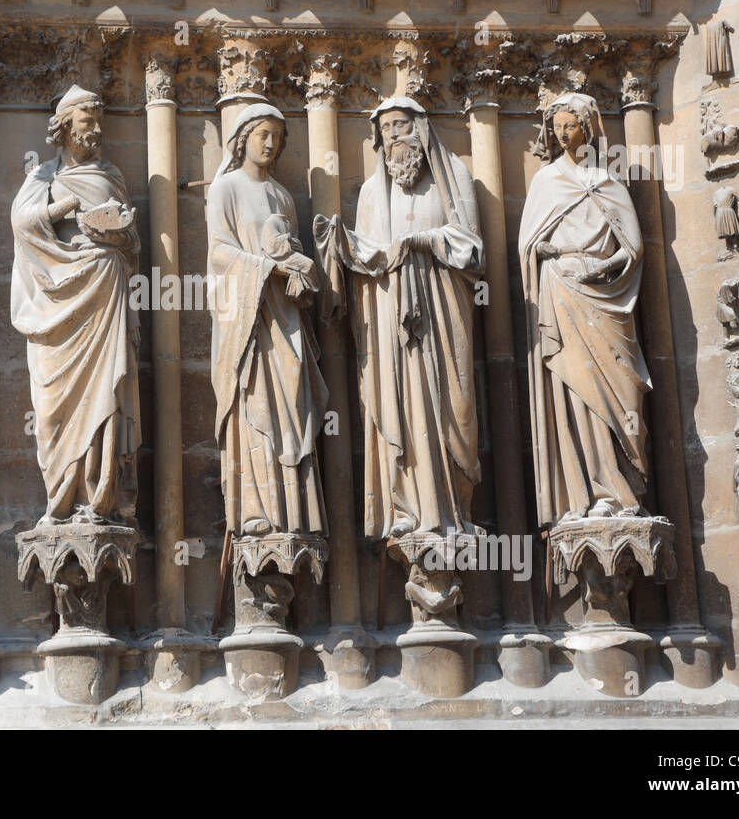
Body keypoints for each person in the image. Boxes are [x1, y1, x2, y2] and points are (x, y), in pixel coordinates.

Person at [315, 96, 482, 538]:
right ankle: (406, 509)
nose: (393, 136)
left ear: (421, 129)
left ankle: (452, 511)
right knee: (401, 408)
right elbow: (372, 259)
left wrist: (424, 242)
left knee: (451, 409)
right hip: (391, 321)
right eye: (386, 128)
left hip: (443, 316)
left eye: (401, 125)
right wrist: (343, 245)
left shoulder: (453, 178)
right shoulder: (372, 193)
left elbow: (472, 248)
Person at [10, 85, 141, 525]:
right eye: (88, 122)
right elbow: (22, 223)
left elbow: (132, 241)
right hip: (56, 303)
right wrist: (66, 208)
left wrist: (116, 232)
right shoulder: (42, 177)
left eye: (98, 122)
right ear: (65, 126)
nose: (97, 130)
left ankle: (99, 495)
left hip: (104, 297)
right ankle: (61, 496)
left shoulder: (110, 175)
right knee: (52, 410)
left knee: (106, 393)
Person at [519, 92, 651, 526]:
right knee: (575, 389)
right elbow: (527, 246)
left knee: (619, 391)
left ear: (588, 128)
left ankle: (622, 484)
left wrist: (603, 266)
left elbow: (632, 245)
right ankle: (589, 488)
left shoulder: (607, 180)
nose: (561, 132)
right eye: (556, 126)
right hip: (562, 290)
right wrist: (546, 252)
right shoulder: (545, 182)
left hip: (606, 296)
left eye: (570, 124)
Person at [207, 101, 327, 538]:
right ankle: (256, 508)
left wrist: (301, 276)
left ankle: (293, 509)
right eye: (263, 134)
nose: (271, 143)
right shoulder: (225, 189)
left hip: (285, 317)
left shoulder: (282, 195)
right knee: (254, 401)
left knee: (291, 402)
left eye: (278, 136)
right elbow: (219, 253)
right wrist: (271, 268)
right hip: (248, 320)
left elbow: (291, 250)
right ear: (243, 139)